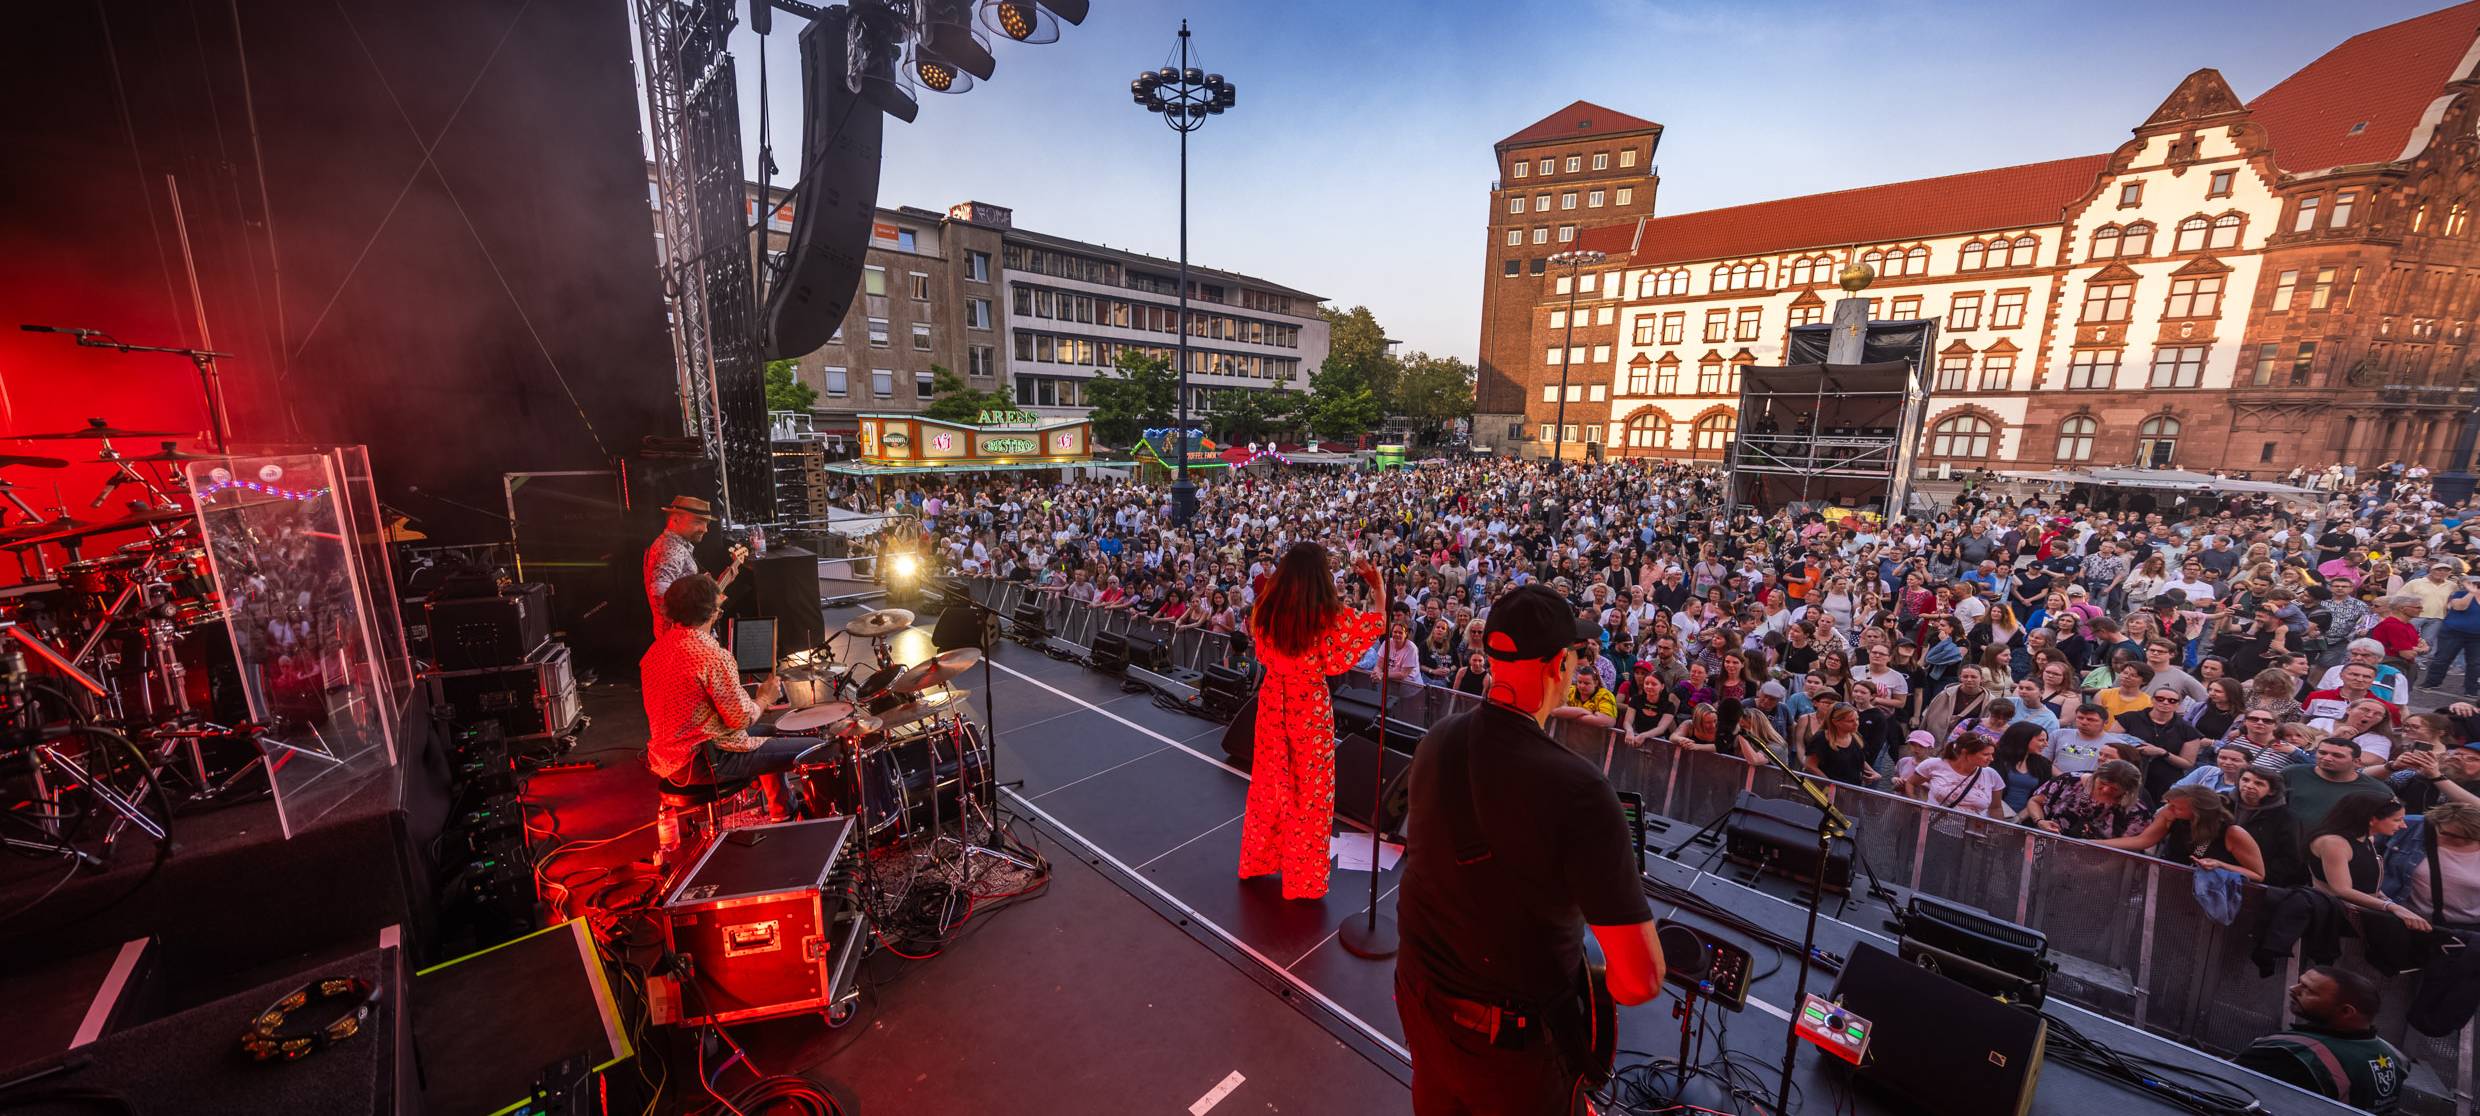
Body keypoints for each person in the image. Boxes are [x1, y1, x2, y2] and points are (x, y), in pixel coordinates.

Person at [1395, 584, 1662, 1114]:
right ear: (1558, 665)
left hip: (1422, 1007)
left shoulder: (1437, 741)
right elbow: (1638, 982)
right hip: (1512, 1051)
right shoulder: (1582, 792)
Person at [1238, 542, 1387, 901]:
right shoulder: (1327, 618)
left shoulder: (1265, 609)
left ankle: (1258, 861)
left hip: (1273, 705)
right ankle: (1301, 880)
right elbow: (1375, 624)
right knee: (1310, 794)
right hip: (1310, 712)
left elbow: (1260, 652)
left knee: (1268, 787)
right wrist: (1378, 586)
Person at [639, 574, 816, 827]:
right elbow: (742, 719)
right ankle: (834, 822)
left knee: (774, 732)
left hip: (669, 759)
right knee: (819, 747)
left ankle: (783, 811)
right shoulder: (711, 654)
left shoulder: (656, 651)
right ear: (713, 612)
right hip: (706, 762)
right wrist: (764, 698)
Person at [2233, 967, 2406, 1112]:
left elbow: (2223, 1090)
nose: (2293, 988)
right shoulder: (2396, 1057)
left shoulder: (2289, 1053)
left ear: (2346, 1012)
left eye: (2308, 990)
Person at [2099, 783, 2266, 880]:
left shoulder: (2233, 832)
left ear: (2197, 811)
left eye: (2176, 807)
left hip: (2208, 892)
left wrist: (2220, 865)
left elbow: (2258, 875)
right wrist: (2096, 844)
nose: (2169, 809)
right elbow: (2142, 841)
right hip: (2171, 881)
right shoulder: (2171, 816)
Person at [644, 495, 744, 636]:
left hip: (683, 636)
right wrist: (699, 615)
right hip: (683, 638)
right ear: (675, 519)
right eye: (698, 522)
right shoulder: (671, 550)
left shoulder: (674, 546)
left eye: (706, 523)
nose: (705, 529)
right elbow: (660, 596)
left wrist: (717, 586)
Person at [2284, 737, 2396, 834]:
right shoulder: (2293, 774)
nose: (2327, 758)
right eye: (2322, 753)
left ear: (2356, 762)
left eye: (2337, 756)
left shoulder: (2377, 790)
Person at [2020, 759, 2153, 840]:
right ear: (2096, 775)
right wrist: (2040, 821)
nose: (2105, 790)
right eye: (2102, 784)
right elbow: (2035, 801)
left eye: (2114, 789)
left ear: (2127, 790)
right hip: (2048, 847)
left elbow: (2132, 843)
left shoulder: (2136, 808)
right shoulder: (2069, 781)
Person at [1898, 733, 2007, 818]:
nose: (1991, 759)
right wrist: (1917, 805)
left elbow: (1996, 808)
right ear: (1965, 753)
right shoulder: (1934, 764)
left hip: (1971, 836)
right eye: (1986, 754)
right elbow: (1911, 783)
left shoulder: (1991, 775)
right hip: (1933, 829)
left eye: (1992, 754)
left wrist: (1997, 833)